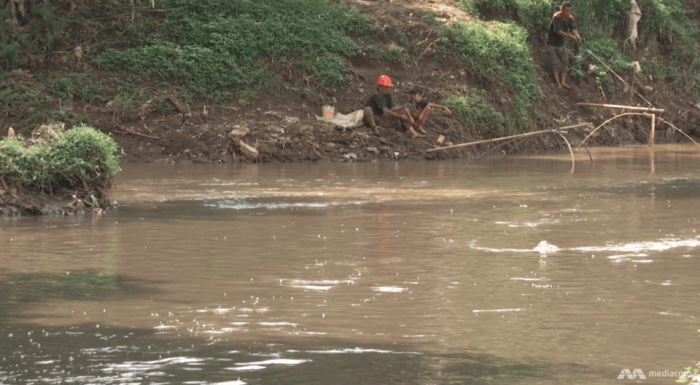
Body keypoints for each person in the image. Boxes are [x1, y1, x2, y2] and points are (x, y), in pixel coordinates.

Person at [545, 1, 581, 90]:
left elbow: (573, 28)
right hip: (551, 43)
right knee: (554, 63)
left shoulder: (571, 18)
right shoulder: (556, 17)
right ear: (562, 10)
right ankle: (557, 83)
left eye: (570, 11)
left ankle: (563, 82)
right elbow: (558, 31)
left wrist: (577, 36)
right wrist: (570, 36)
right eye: (567, 11)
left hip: (561, 44)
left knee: (565, 61)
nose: (568, 13)